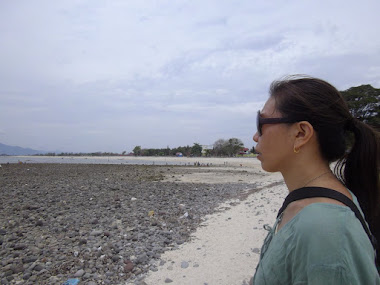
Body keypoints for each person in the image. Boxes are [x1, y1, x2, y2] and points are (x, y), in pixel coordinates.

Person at [251, 76, 380, 284]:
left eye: (261, 123)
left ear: (301, 133)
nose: (256, 137)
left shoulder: (327, 228)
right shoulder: (302, 203)